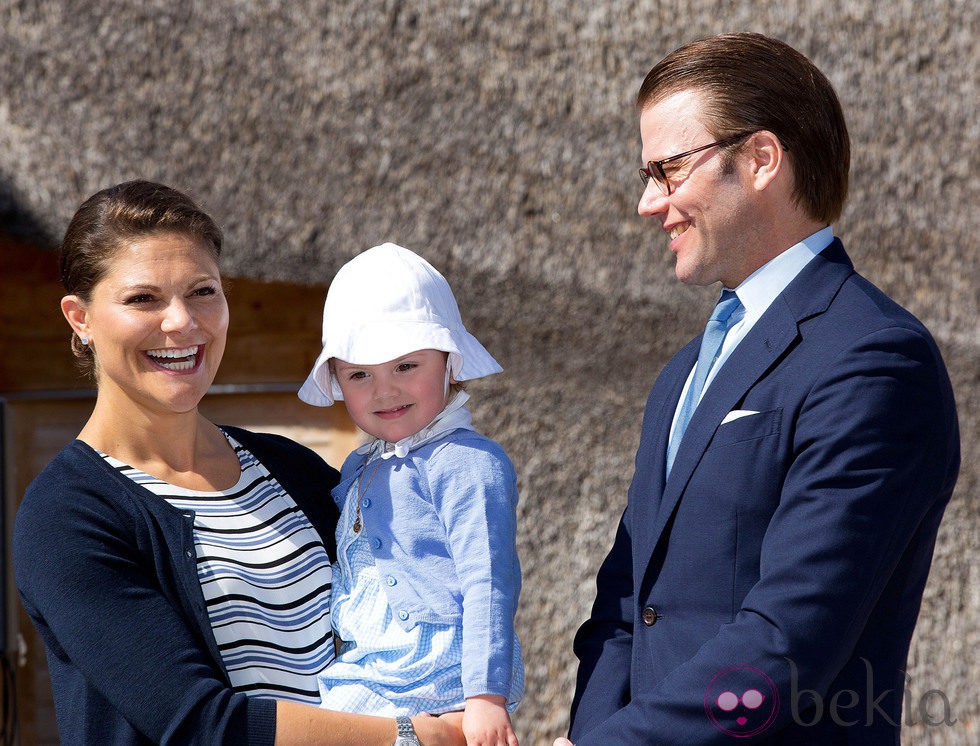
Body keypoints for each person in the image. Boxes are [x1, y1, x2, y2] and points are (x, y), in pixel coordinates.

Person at [560, 32, 960, 744]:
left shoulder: (872, 358)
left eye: (668, 169)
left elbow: (788, 643)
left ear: (761, 159)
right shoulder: (681, 373)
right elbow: (623, 608)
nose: (649, 203)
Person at [13, 180, 464, 746]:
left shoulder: (294, 471)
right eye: (142, 299)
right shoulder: (67, 518)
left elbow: (417, 611)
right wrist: (414, 737)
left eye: (202, 290)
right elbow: (199, 723)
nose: (182, 321)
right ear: (80, 319)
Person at [297, 243, 524, 746]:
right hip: (370, 665)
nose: (384, 391)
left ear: (449, 361)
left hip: (436, 672)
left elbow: (489, 579)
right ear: (336, 380)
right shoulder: (360, 466)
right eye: (360, 374)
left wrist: (486, 696)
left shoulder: (466, 463)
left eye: (406, 366)